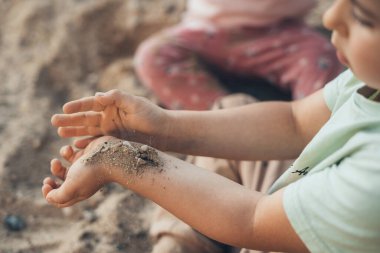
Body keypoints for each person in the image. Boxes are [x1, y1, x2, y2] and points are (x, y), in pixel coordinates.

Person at [43, 0, 380, 252]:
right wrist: (161, 125)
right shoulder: (367, 82)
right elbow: (293, 122)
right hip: (296, 207)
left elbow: (251, 220)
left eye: (364, 17)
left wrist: (118, 159)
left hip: (267, 228)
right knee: (234, 109)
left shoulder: (372, 180)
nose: (330, 16)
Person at [134, 0, 343, 110]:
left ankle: (310, 129)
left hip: (280, 32)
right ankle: (225, 119)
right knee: (153, 56)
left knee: (322, 56)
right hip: (207, 30)